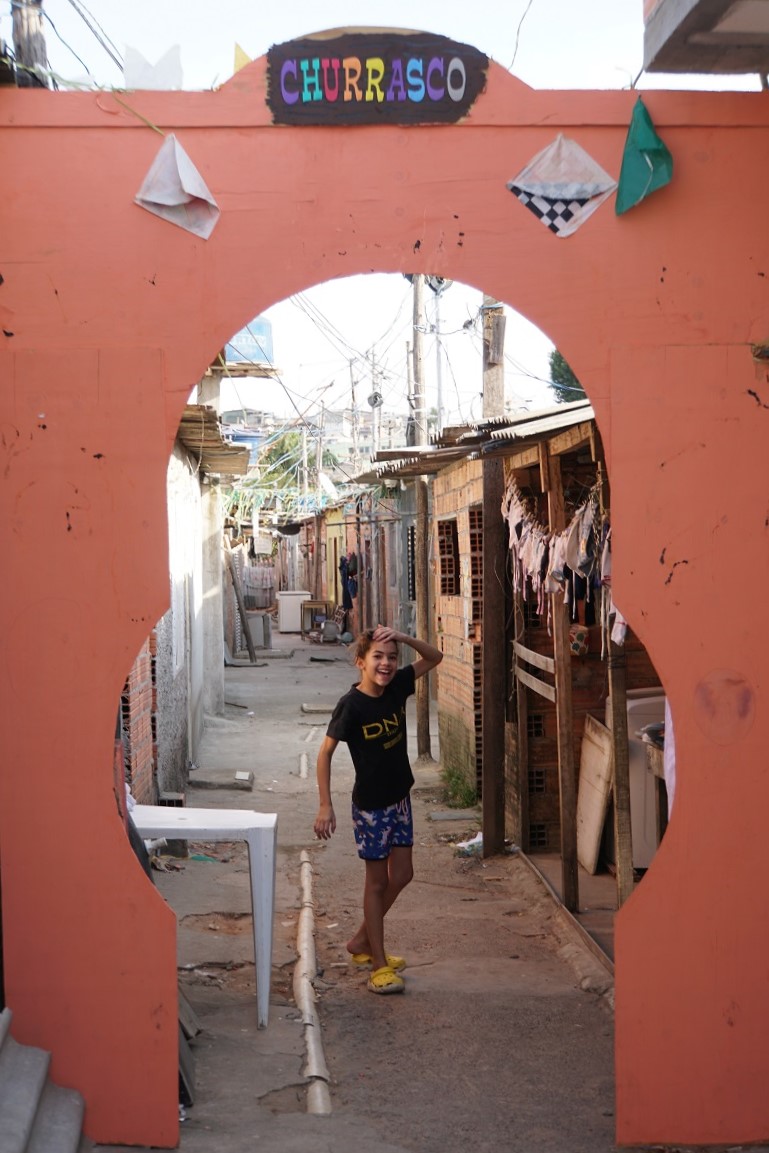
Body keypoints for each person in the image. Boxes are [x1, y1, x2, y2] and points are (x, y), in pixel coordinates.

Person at [313, 624, 443, 995]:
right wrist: (326, 805)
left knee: (402, 875)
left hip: (400, 799)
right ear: (361, 662)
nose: (386, 664)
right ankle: (379, 964)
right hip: (371, 808)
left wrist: (401, 637)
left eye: (391, 658)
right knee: (378, 882)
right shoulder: (350, 706)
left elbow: (434, 657)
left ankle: (361, 940)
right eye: (377, 657)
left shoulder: (398, 686)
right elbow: (324, 754)